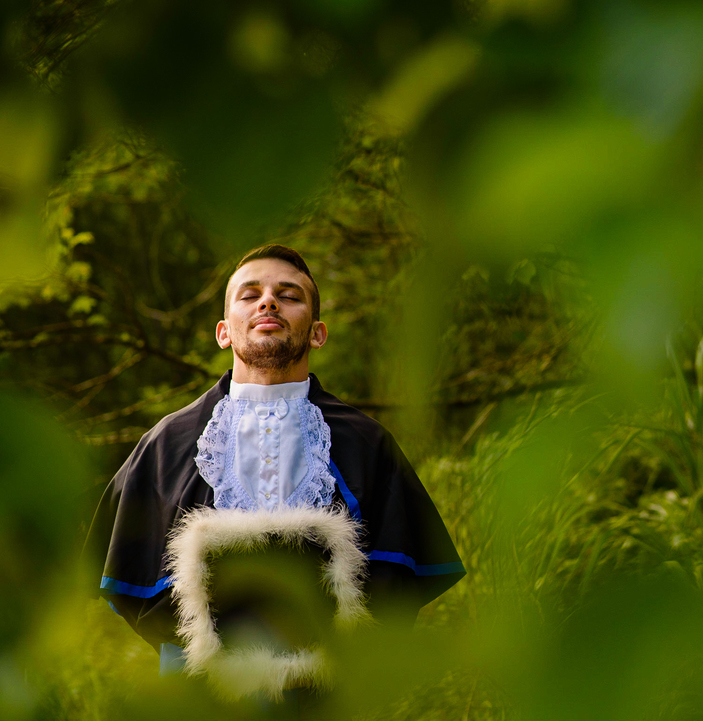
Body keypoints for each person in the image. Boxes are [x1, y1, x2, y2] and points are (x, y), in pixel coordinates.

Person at [86, 245, 464, 682]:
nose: (268, 301)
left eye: (289, 295)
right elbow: (131, 581)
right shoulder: (164, 445)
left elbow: (398, 582)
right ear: (224, 332)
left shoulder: (368, 442)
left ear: (318, 332)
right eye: (250, 295)